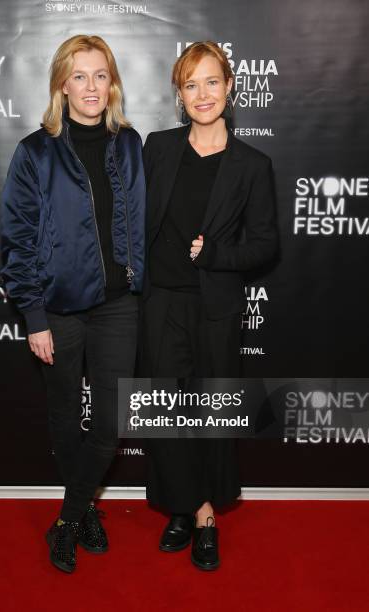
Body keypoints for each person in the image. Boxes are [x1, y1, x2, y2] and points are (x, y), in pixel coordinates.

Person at [0, 35, 145, 573]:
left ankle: (67, 518)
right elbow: (16, 239)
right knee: (65, 415)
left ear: (113, 84)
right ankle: (83, 511)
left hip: (118, 306)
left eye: (100, 75)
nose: (91, 86)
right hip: (58, 307)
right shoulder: (35, 151)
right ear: (62, 84)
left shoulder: (129, 144)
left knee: (109, 423)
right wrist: (34, 315)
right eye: (79, 76)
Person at [141, 41, 278, 570]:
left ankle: (202, 513)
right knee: (166, 415)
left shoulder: (252, 164)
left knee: (210, 413)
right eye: (190, 84)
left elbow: (267, 245)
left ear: (229, 87)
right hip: (162, 303)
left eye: (211, 82)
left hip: (217, 305)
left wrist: (219, 254)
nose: (202, 94)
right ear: (179, 94)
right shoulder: (157, 147)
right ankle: (189, 509)